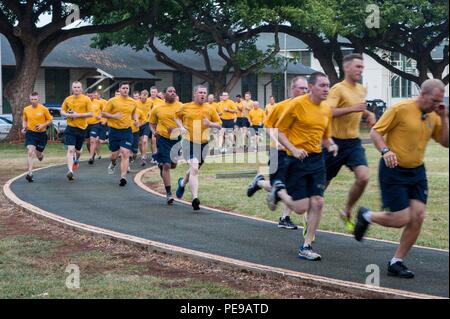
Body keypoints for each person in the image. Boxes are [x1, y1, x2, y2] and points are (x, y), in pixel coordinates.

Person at [354, 79, 448, 278]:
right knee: (401, 219)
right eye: (435, 100)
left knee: (418, 216)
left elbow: (445, 142)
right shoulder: (401, 108)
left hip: (417, 171)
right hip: (393, 169)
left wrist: (444, 117)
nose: (437, 105)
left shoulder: (434, 114)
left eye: (440, 101)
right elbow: (375, 131)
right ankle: (366, 216)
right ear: (423, 94)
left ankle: (396, 261)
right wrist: (386, 151)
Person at [266, 72, 338, 261]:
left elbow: (324, 135)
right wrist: (293, 148)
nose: (326, 89)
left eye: (328, 85)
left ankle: (306, 246)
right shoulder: (296, 105)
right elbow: (280, 130)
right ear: (312, 87)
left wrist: (331, 144)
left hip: (316, 160)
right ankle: (278, 191)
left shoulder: (326, 109)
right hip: (297, 160)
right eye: (322, 85)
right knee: (299, 208)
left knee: (318, 202)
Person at [247, 76, 309, 230]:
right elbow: (267, 126)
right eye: (301, 88)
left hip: (299, 152)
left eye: (306, 88)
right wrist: (279, 141)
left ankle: (285, 217)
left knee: (294, 186)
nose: (305, 91)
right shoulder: (281, 106)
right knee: (281, 185)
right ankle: (260, 182)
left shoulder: (308, 107)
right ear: (292, 89)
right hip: (279, 151)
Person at [325, 54, 376, 232]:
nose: (360, 70)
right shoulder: (337, 89)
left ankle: (347, 211)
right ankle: (307, 213)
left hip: (353, 142)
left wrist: (368, 114)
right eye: (357, 67)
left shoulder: (362, 89)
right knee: (322, 186)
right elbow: (328, 111)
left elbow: (360, 110)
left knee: (363, 177)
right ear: (347, 68)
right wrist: (353, 108)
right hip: (334, 143)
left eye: (362, 67)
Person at [174, 85, 222, 210]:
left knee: (193, 169)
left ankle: (182, 183)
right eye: (200, 92)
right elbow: (176, 116)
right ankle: (195, 199)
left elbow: (219, 125)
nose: (202, 95)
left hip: (203, 144)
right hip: (188, 141)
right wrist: (181, 127)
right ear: (195, 93)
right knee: (194, 168)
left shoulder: (210, 108)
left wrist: (210, 123)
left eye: (204, 93)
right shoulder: (185, 107)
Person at [150, 86, 183, 204]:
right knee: (167, 165)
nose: (173, 93)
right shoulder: (157, 108)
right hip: (162, 138)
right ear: (164, 94)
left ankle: (161, 166)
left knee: (173, 165)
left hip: (176, 139)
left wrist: (177, 129)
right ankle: (169, 194)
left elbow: (187, 123)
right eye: (170, 91)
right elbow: (151, 123)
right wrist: (154, 132)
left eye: (174, 91)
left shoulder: (181, 106)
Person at [102, 82, 139, 186]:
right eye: (123, 88)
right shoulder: (112, 101)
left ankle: (123, 177)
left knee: (125, 153)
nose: (125, 90)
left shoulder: (132, 101)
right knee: (114, 154)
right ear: (119, 89)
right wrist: (114, 117)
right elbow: (103, 113)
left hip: (126, 130)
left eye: (127, 88)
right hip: (114, 130)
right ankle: (113, 163)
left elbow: (134, 112)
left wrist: (136, 120)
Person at [61, 81, 93, 181]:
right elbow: (62, 111)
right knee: (70, 149)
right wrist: (68, 115)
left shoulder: (86, 99)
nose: (76, 89)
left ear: (81, 89)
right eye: (75, 87)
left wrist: (76, 115)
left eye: (78, 87)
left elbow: (91, 113)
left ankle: (77, 158)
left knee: (78, 150)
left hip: (82, 128)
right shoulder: (68, 99)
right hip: (70, 128)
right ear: (72, 88)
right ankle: (70, 171)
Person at [21, 92, 53, 182]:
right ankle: (30, 173)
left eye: (35, 99)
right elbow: (24, 119)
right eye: (31, 99)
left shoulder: (44, 109)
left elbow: (50, 120)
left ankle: (40, 155)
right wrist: (24, 127)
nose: (33, 101)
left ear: (38, 99)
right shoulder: (26, 109)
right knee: (30, 152)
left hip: (42, 135)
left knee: (38, 155)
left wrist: (43, 125)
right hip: (31, 133)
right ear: (29, 99)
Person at [85, 90, 104, 164]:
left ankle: (90, 157)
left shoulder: (98, 102)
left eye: (91, 95)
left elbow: (104, 110)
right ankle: (92, 154)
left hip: (95, 124)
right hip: (86, 124)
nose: (90, 97)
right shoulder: (84, 102)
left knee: (93, 140)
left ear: (94, 95)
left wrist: (100, 115)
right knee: (87, 142)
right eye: (88, 96)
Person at [136, 90, 153, 166]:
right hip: (138, 124)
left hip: (146, 123)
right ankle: (142, 153)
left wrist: (150, 113)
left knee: (145, 141)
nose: (144, 98)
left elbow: (152, 109)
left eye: (146, 96)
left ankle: (143, 157)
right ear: (140, 96)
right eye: (143, 96)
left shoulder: (150, 102)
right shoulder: (136, 103)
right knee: (139, 142)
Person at [94, 91, 108, 160]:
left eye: (97, 95)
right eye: (95, 95)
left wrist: (105, 121)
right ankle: (98, 154)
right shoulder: (93, 102)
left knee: (101, 141)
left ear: (100, 95)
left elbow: (107, 112)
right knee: (96, 140)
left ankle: (108, 141)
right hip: (96, 123)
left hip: (103, 123)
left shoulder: (104, 102)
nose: (95, 96)